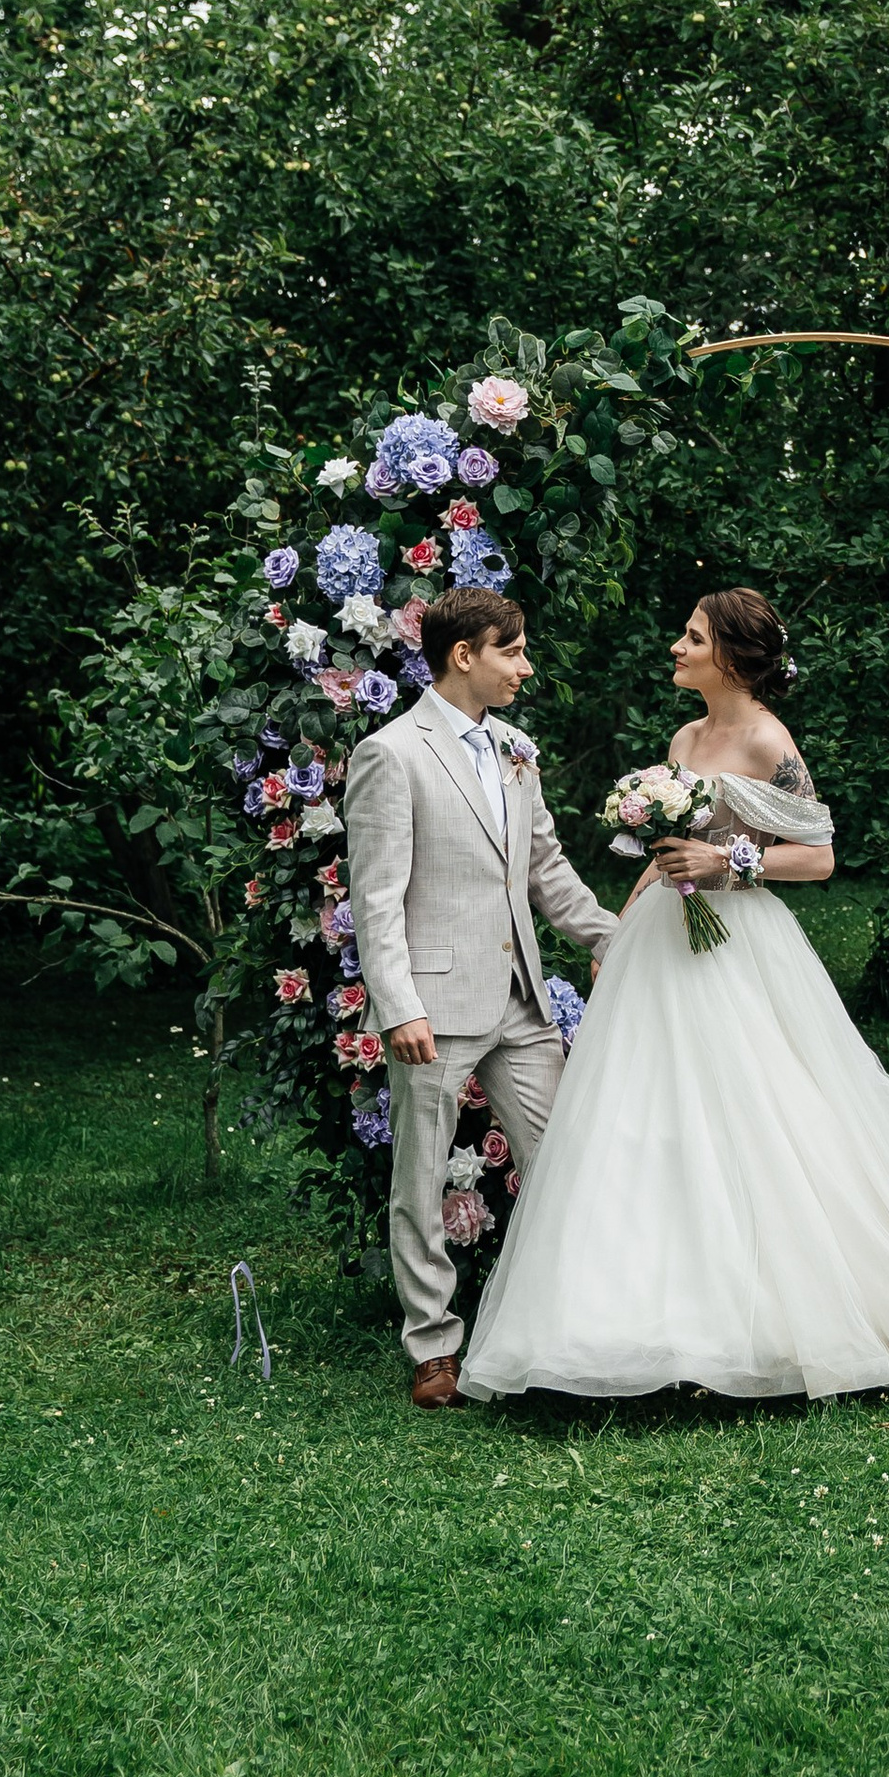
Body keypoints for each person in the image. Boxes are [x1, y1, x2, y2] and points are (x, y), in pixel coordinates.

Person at [459, 588, 889, 1404]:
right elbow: (670, 849)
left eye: (691, 637)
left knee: (758, 1116)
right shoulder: (684, 736)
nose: (677, 646)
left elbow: (818, 857)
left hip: (738, 946)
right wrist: (623, 928)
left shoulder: (771, 741)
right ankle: (645, 1318)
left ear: (730, 658)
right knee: (650, 1122)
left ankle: (776, 1316)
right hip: (663, 941)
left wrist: (728, 864)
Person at [343, 583, 623, 1411]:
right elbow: (376, 898)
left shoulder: (515, 748)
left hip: (521, 1001)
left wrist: (613, 938)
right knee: (421, 1180)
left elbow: (546, 869)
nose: (525, 668)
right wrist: (397, 1006)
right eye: (513, 650)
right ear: (463, 655)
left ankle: (569, 1326)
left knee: (563, 1163)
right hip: (431, 1003)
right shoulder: (390, 754)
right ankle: (434, 1350)